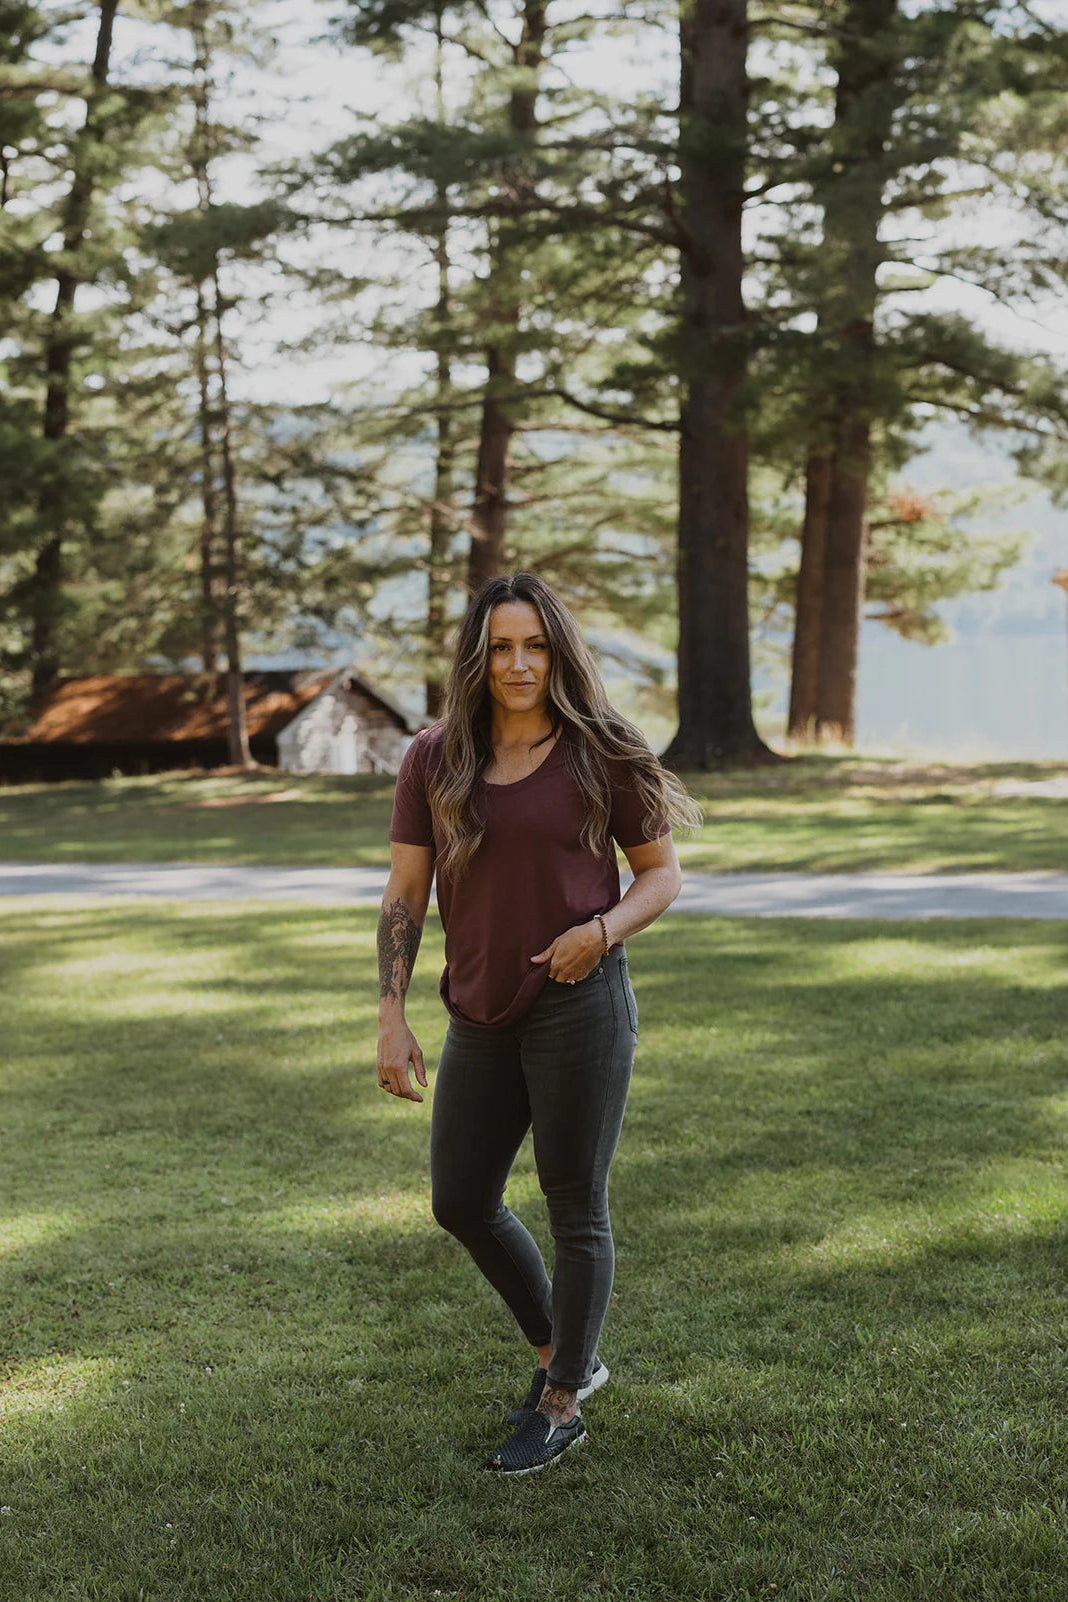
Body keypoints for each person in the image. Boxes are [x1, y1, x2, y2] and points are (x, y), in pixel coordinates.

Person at [376, 572, 701, 1475]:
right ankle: (571, 1351)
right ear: (476, 657)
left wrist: (600, 932)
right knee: (460, 1199)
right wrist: (391, 1012)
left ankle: (560, 1402)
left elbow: (661, 875)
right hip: (478, 1008)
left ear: (559, 654)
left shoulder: (602, 749)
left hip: (580, 1007)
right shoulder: (434, 757)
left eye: (536, 647)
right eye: (502, 647)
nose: (519, 665)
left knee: (574, 1204)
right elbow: (405, 891)